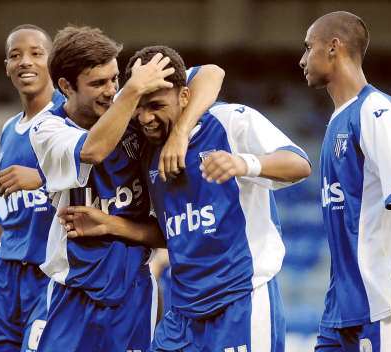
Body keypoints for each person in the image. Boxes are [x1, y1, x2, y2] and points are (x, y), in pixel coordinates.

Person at [58, 45, 312, 352]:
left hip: (241, 300)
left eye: (156, 106)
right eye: (139, 106)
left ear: (184, 97)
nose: (145, 117)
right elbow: (169, 234)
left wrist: (243, 163)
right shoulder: (144, 147)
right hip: (182, 312)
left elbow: (299, 164)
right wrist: (111, 225)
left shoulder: (230, 121)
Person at [27, 26, 223, 352]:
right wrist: (131, 91)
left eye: (115, 79)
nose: (110, 90)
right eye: (98, 83)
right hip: (73, 292)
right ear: (65, 86)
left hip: (135, 290)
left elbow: (211, 73)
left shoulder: (131, 103)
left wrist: (180, 133)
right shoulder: (47, 129)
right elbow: (93, 150)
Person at [299, 11, 391, 351]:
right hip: (342, 306)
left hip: (385, 304)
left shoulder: (376, 111)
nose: (302, 59)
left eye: (308, 47)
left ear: (333, 47)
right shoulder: (336, 122)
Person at [0, 24, 65, 352]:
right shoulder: (8, 129)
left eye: (36, 53)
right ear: (6, 67)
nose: (25, 61)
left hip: (46, 274)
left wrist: (41, 177)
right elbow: (6, 215)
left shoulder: (68, 116)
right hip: (5, 278)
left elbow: (94, 175)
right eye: (15, 55)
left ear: (53, 62)